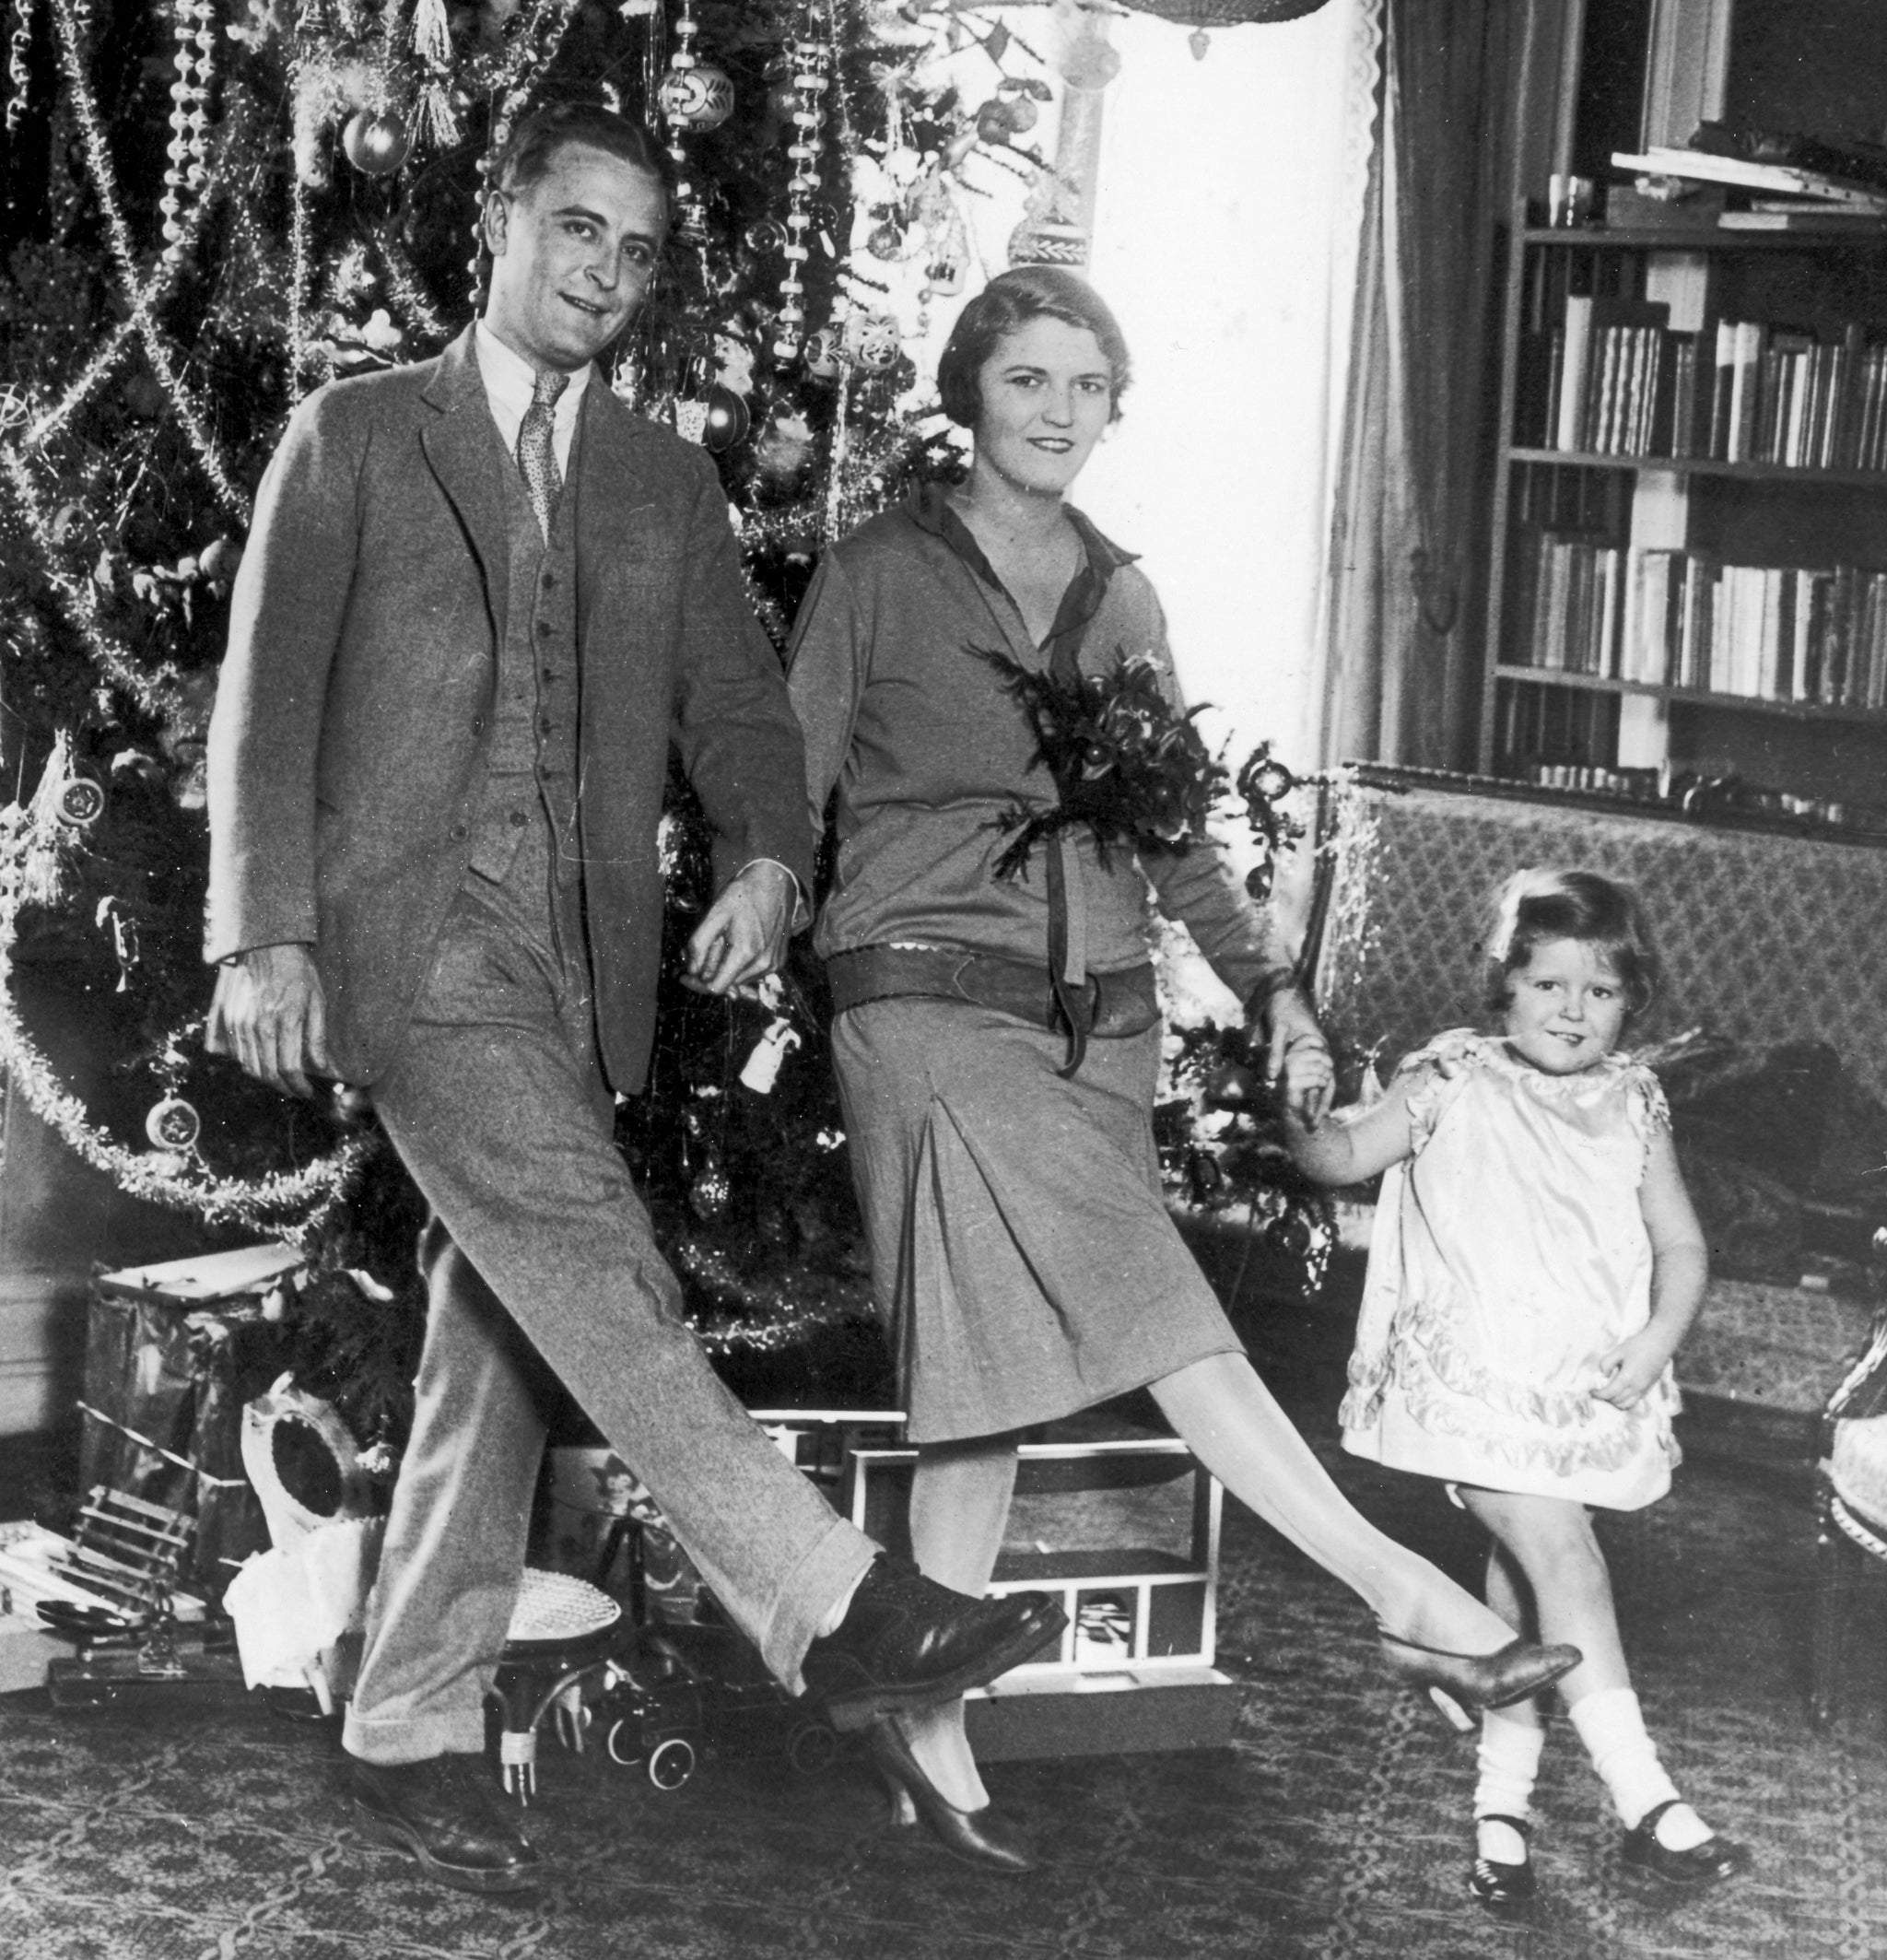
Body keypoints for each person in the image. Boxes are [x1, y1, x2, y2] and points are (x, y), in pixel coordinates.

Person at [204, 103, 1061, 1897]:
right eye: (574, 229)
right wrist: (258, 932)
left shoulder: (659, 487)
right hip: (407, 944)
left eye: (635, 250)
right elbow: (265, 700)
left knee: (498, 1315)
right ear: (502, 227)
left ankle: (405, 1711)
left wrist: (762, 854)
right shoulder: (356, 437)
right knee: (596, 1264)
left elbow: (743, 711)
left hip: (570, 968)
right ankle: (824, 1599)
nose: (602, 269)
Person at [783, 266, 1580, 1875]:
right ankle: (1405, 1600)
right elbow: (784, 784)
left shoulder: (1120, 596)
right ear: (970, 391)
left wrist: (1278, 990)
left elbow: (1170, 835)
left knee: (978, 1388)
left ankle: (924, 1740)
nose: (1058, 411)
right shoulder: (874, 574)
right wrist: (759, 920)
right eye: (1027, 379)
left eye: (1087, 384)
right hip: (921, 997)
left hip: (1096, 1019)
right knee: (1156, 1304)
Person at [1285, 868, 1749, 1912]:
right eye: (1546, 985)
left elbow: (1679, 1243)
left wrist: (1656, 1337)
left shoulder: (1631, 1098)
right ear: (1501, 986)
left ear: (1630, 1002)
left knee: (1523, 1588)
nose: (1571, 1011)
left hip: (1574, 1391)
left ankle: (1500, 1819)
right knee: (1563, 1554)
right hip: (1470, 1386)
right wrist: (1298, 1118)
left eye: (1599, 991)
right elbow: (1339, 1157)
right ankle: (1649, 1807)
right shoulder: (1449, 1076)